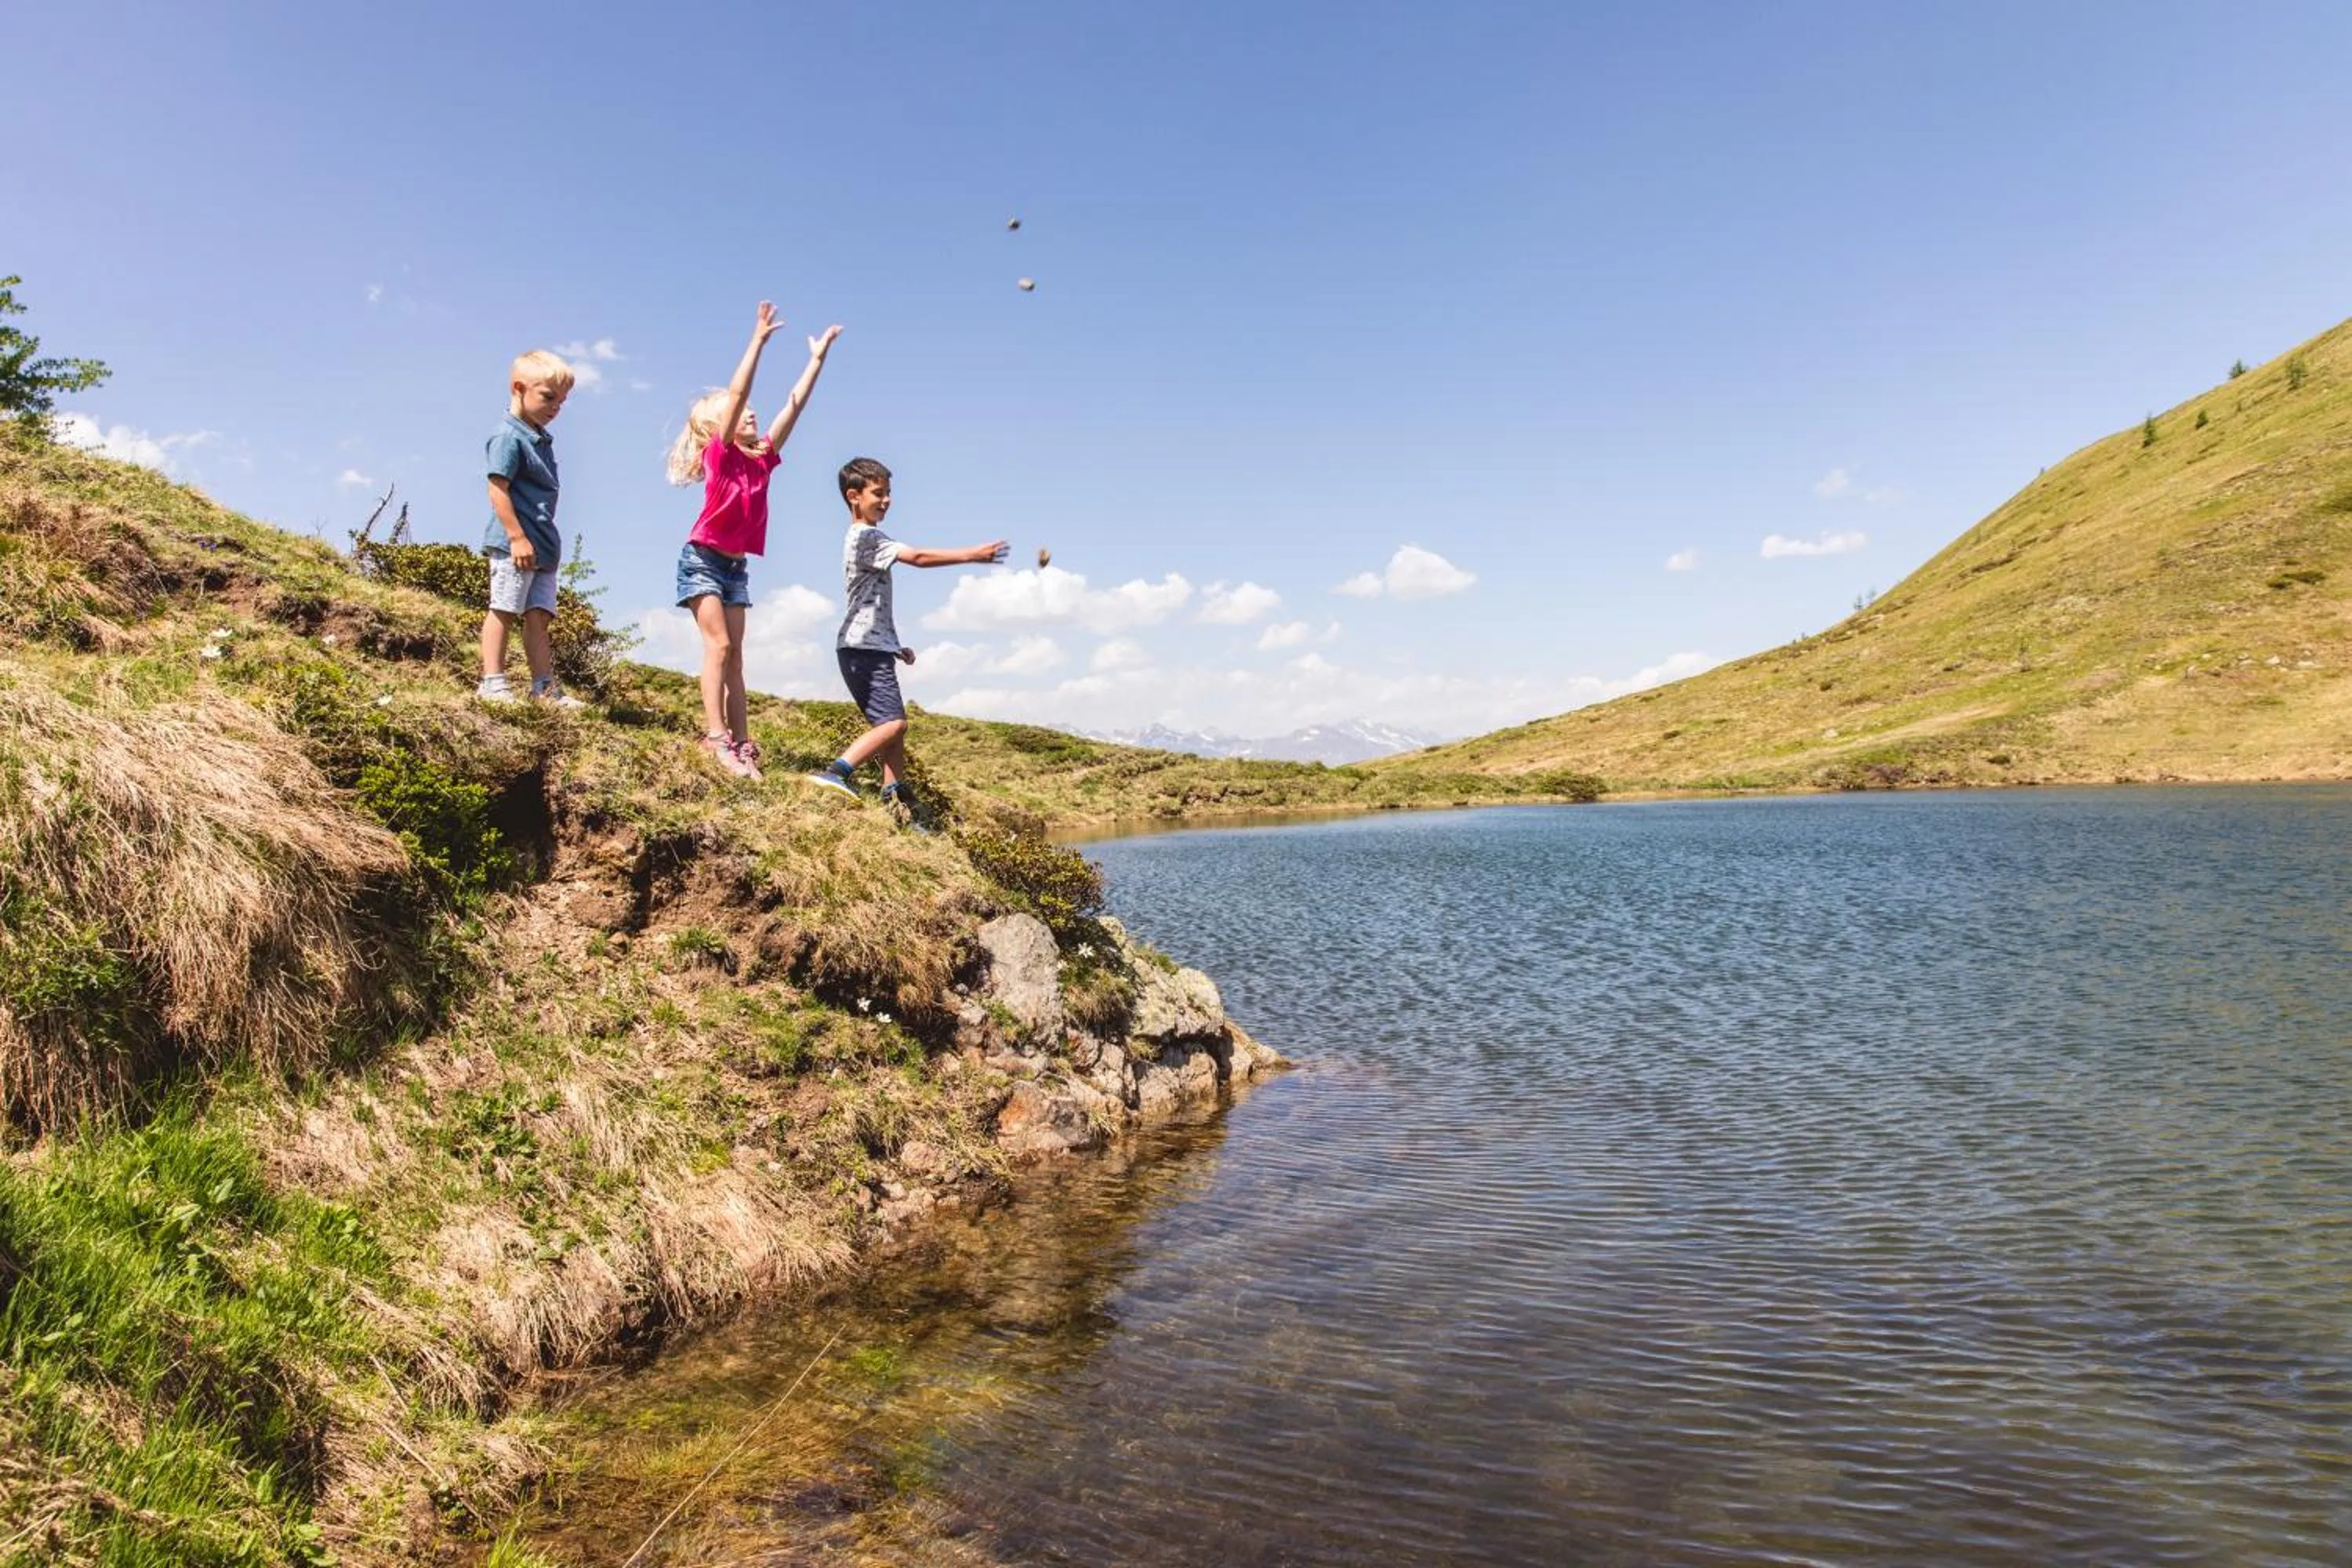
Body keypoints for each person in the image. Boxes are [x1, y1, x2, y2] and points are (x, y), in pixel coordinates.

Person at [668, 302, 843, 779]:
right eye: (740, 412)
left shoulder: (762, 458)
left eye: (751, 413)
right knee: (719, 648)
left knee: (737, 656)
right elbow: (740, 386)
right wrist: (758, 340)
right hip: (702, 560)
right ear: (718, 426)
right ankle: (716, 738)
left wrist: (817, 358)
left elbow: (794, 406)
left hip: (735, 566)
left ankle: (743, 744)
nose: (751, 414)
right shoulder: (721, 455)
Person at [805, 458, 1007, 818]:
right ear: (854, 497)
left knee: (893, 729)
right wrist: (971, 555)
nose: (886, 501)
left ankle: (893, 795)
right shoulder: (867, 536)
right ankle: (837, 772)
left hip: (869, 647)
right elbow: (918, 557)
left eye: (889, 493)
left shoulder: (862, 538)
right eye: (878, 493)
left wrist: (894, 646)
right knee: (894, 724)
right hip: (862, 648)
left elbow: (868, 602)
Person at [478, 349, 580, 705]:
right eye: (549, 397)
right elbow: (497, 488)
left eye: (562, 402)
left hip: (543, 547)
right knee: (504, 608)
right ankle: (492, 682)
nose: (556, 407)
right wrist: (516, 536)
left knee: (539, 616)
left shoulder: (540, 438)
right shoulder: (509, 436)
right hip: (515, 545)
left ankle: (545, 688)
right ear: (519, 388)